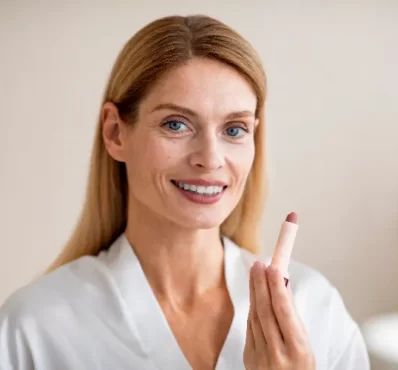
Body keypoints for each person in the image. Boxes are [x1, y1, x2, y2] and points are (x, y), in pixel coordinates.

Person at [0, 15, 370, 370]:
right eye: (176, 124)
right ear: (115, 133)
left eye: (235, 129)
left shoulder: (316, 310)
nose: (210, 159)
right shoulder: (35, 329)